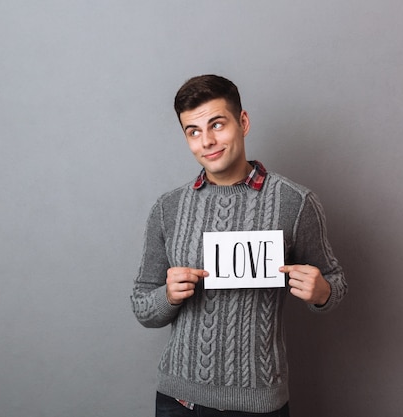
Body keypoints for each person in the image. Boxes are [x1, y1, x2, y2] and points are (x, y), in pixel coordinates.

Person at [130, 74, 348, 417]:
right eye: (194, 131)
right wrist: (168, 295)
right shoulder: (167, 209)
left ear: (242, 122)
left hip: (258, 403)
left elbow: (335, 284)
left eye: (217, 124)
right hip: (179, 400)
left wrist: (321, 292)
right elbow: (142, 306)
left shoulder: (296, 202)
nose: (207, 141)